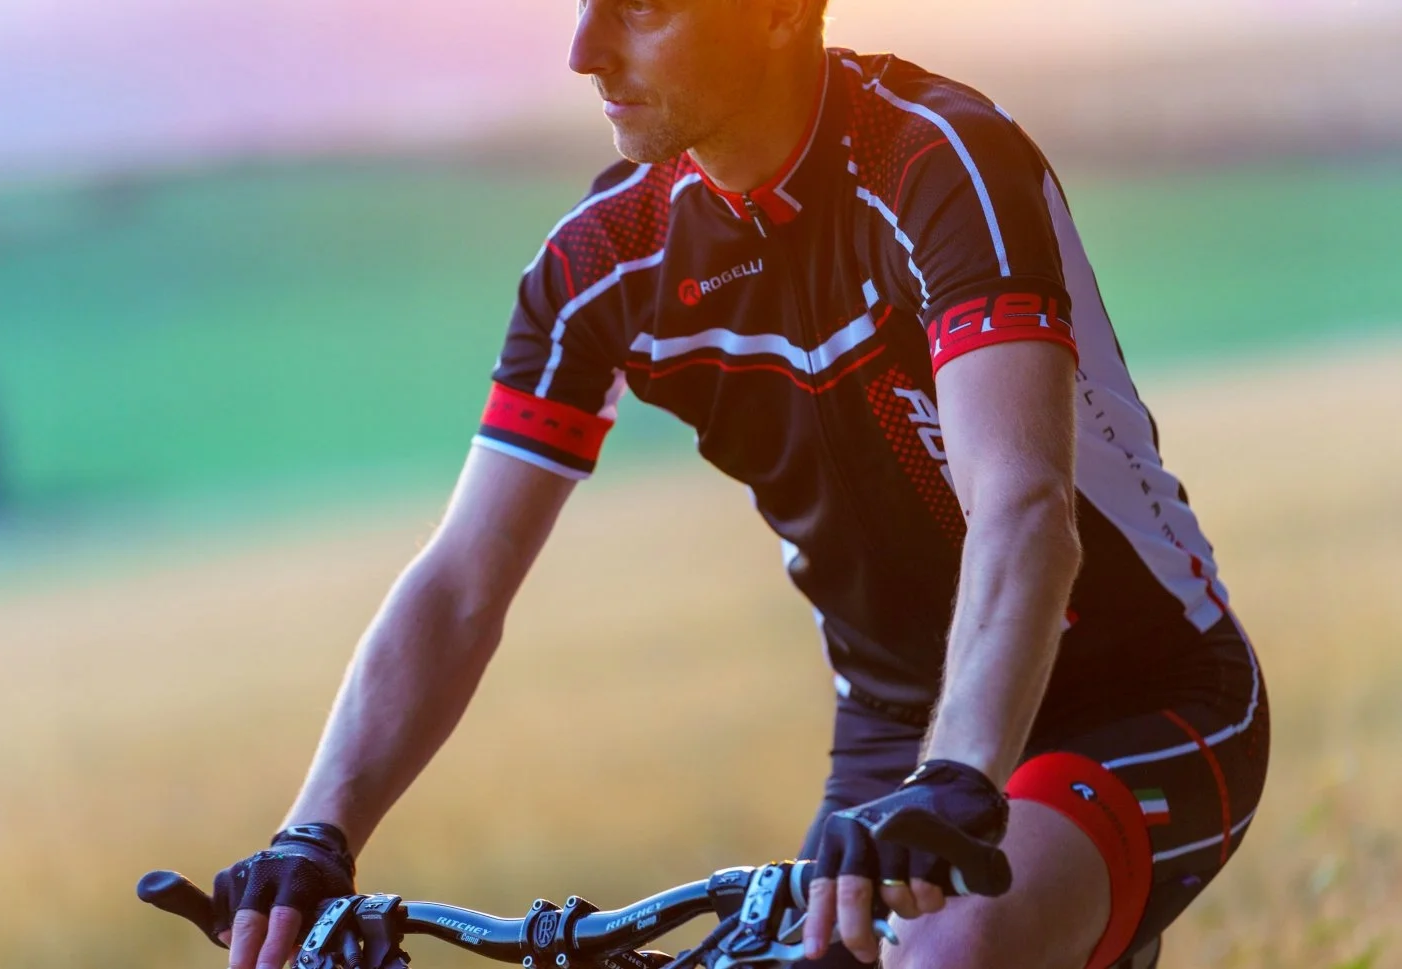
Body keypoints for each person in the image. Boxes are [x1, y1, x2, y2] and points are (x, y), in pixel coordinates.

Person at [202, 3, 1269, 969]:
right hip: (890, 746)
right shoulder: (604, 262)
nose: (583, 51)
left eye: (642, 8)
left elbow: (1023, 507)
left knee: (953, 947)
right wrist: (315, 832)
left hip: (1139, 694)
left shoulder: (936, 162)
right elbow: (460, 583)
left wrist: (960, 775)